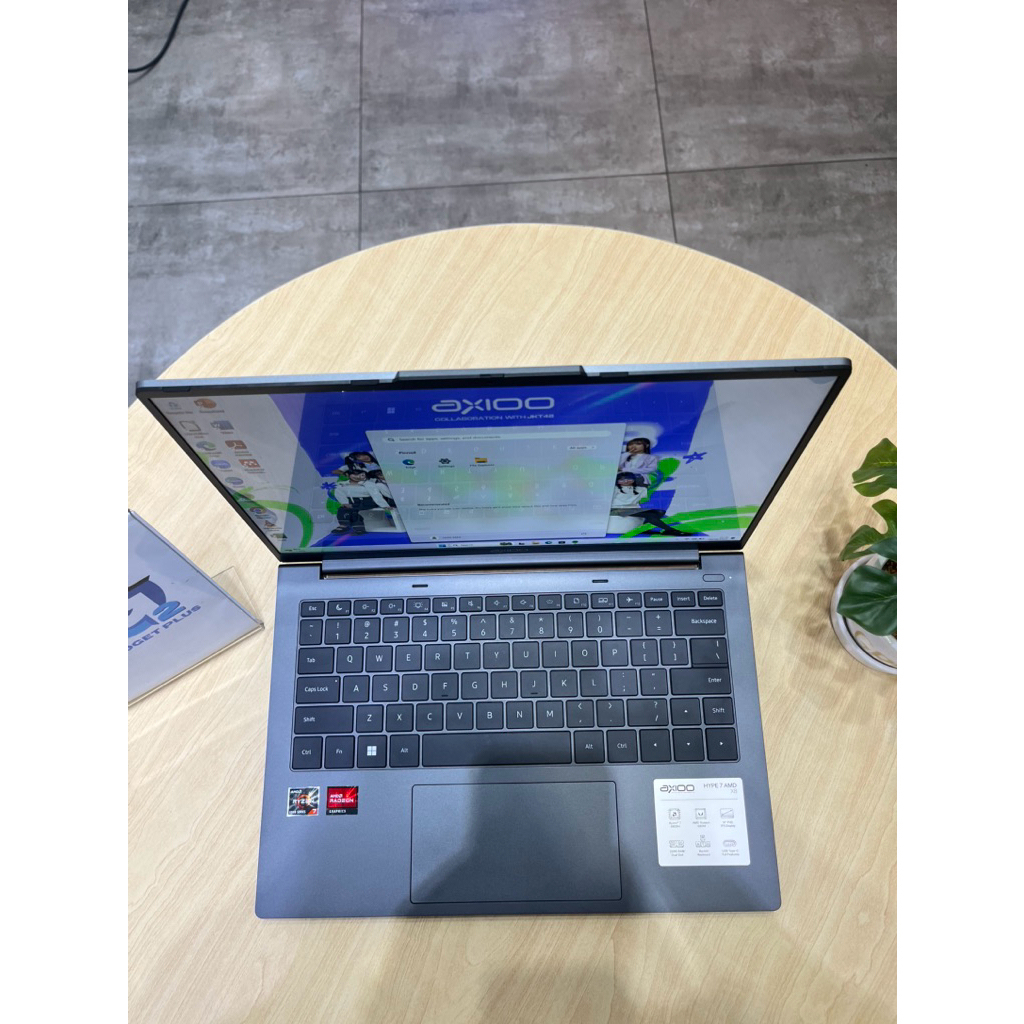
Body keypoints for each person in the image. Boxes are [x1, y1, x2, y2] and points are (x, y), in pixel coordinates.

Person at [609, 472, 695, 537]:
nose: (626, 481)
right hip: (617, 509)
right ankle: (670, 530)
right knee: (649, 515)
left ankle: (644, 528)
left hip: (632, 510)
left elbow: (654, 485)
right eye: (622, 479)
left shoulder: (640, 489)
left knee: (660, 512)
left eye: (628, 479)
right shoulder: (615, 489)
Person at [330, 469, 395, 534]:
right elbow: (339, 494)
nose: (358, 476)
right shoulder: (342, 485)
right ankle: (345, 525)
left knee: (354, 509)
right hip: (353, 502)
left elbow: (376, 495)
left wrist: (384, 505)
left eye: (362, 475)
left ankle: (357, 528)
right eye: (355, 474)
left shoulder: (368, 484)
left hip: (368, 501)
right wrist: (345, 503)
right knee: (342, 509)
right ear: (348, 475)